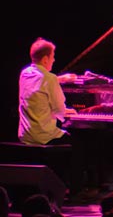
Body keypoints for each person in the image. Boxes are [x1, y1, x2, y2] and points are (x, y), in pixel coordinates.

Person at [17, 37, 86, 195]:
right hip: (43, 136)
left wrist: (60, 79)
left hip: (26, 134)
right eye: (53, 56)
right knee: (80, 147)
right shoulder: (50, 79)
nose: (54, 60)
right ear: (46, 58)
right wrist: (71, 111)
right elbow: (59, 110)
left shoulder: (25, 74)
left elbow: (41, 81)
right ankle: (74, 190)